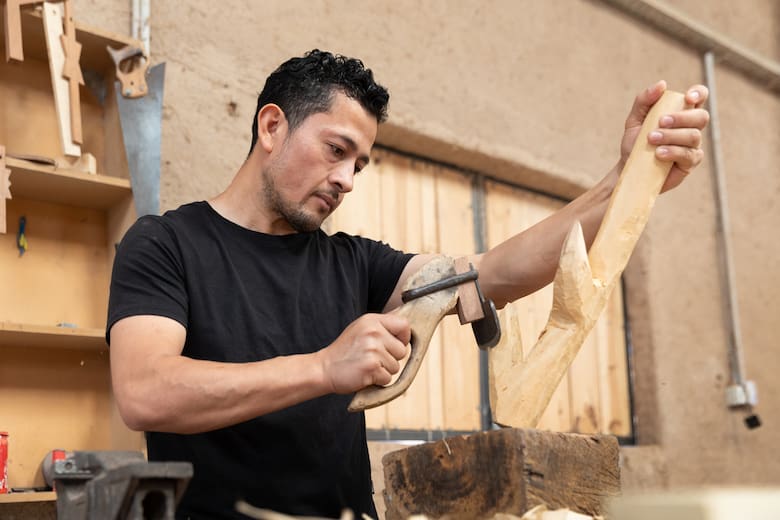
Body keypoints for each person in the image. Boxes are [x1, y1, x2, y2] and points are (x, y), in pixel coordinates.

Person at [107, 49, 710, 519]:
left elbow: (492, 272)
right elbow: (145, 392)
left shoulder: (355, 264)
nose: (346, 179)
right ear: (271, 127)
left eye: (360, 165)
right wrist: (323, 367)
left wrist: (626, 182)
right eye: (336, 150)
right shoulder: (164, 245)